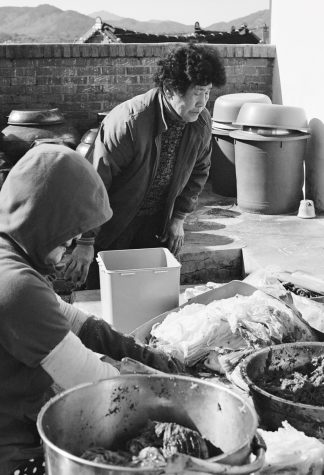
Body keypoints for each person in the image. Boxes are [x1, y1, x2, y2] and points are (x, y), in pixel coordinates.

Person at [0, 144, 183, 475]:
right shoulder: (15, 286)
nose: (70, 249)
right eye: (69, 238)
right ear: (46, 219)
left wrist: (138, 352)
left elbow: (72, 320)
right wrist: (175, 404)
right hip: (10, 446)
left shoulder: (11, 255)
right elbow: (97, 384)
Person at [64, 43, 226, 289]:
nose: (203, 102)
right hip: (113, 223)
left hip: (157, 223)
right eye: (197, 93)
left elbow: (199, 172)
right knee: (106, 294)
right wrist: (86, 242)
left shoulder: (200, 123)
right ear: (171, 89)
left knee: (153, 295)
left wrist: (179, 218)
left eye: (208, 92)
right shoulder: (128, 123)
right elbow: (95, 182)